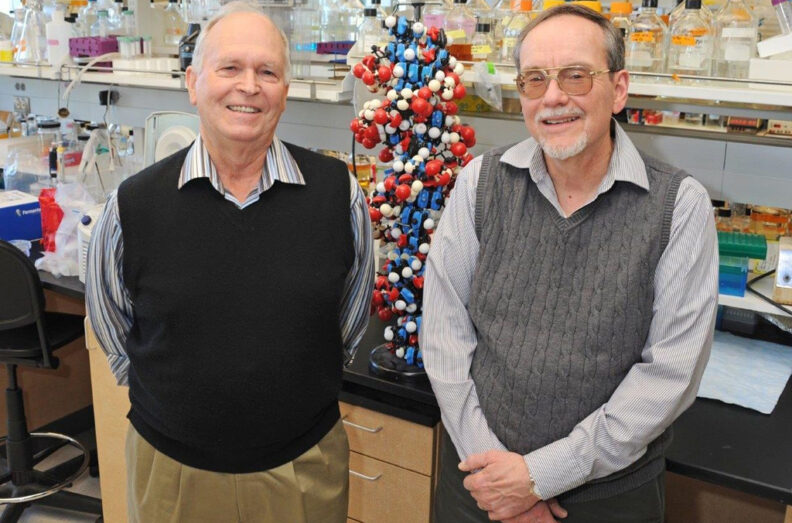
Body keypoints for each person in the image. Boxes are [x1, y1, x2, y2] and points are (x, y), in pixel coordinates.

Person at [421, 5, 718, 522]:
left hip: (607, 500)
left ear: (619, 89)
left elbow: (668, 375)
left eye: (576, 76)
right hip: (478, 487)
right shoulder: (478, 184)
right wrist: (500, 481)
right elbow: (445, 336)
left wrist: (538, 478)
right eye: (535, 80)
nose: (553, 97)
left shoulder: (679, 206)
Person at [85, 2, 374, 521]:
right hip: (172, 469)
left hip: (303, 464)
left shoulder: (340, 197)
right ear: (194, 83)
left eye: (267, 71)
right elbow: (114, 328)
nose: (249, 86)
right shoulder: (132, 205)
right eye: (230, 68)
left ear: (285, 91)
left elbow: (346, 325)